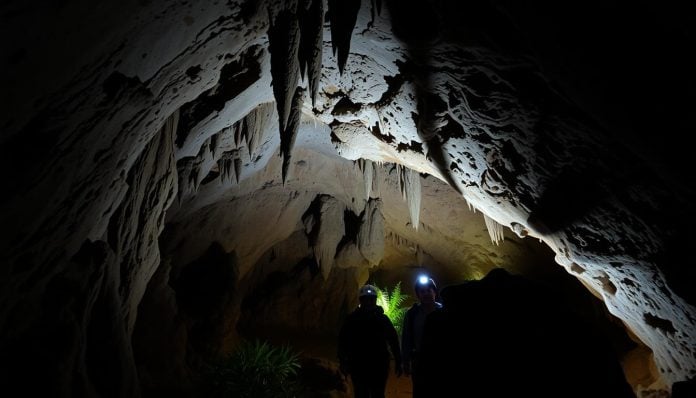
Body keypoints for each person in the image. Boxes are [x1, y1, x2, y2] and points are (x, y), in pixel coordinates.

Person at [338, 284, 403, 398]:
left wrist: (398, 360)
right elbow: (343, 341)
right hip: (358, 365)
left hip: (379, 365)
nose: (368, 302)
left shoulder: (382, 319)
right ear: (361, 300)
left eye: (371, 299)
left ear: (375, 300)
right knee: (361, 394)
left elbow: (393, 339)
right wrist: (343, 361)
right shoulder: (352, 319)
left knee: (377, 394)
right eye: (365, 299)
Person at [400, 275, 442, 398]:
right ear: (418, 295)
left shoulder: (444, 311)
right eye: (422, 292)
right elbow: (406, 339)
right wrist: (405, 361)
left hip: (440, 360)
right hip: (420, 362)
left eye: (429, 290)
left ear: (434, 292)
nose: (426, 294)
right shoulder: (413, 314)